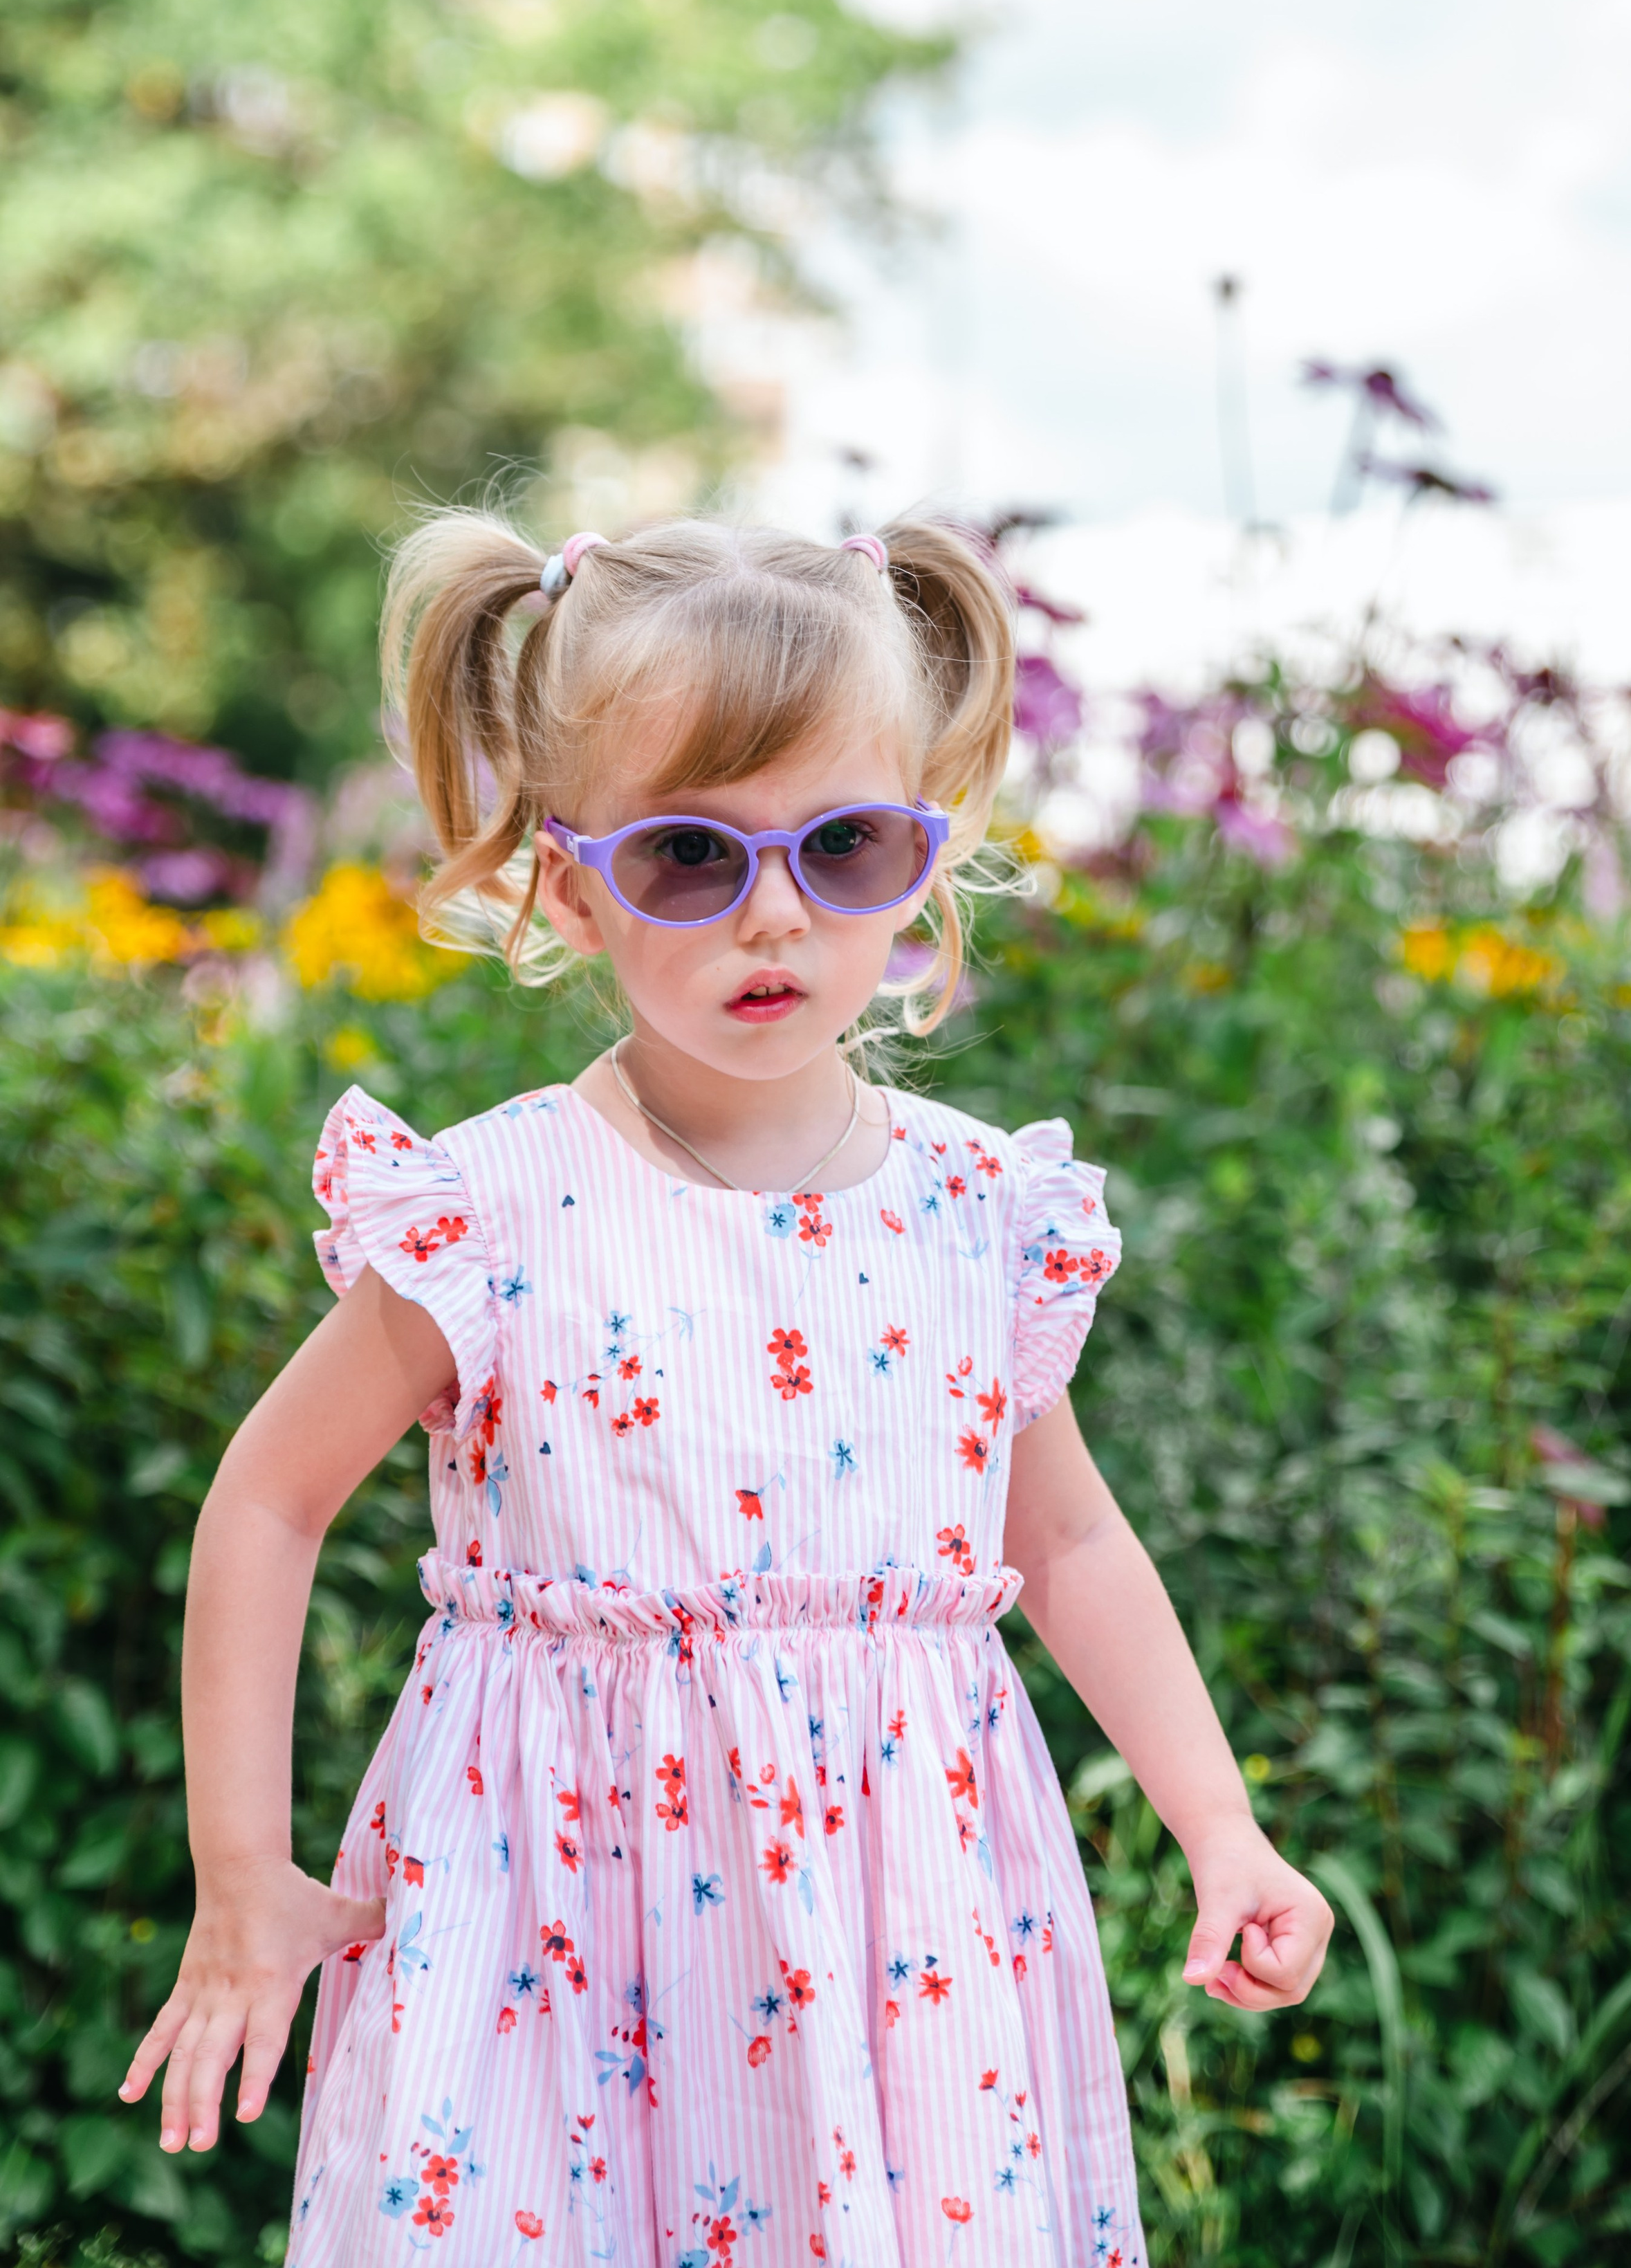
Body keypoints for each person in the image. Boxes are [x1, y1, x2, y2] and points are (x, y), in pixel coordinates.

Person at [120, 513, 1332, 2264]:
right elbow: (269, 1495)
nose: (775, 911)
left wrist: (1220, 1831)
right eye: (690, 858)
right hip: (549, 1935)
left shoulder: (977, 1214)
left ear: (926, 852)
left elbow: (1062, 1539)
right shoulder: (494, 1209)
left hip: (898, 1946)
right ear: (569, 877)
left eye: (843, 844)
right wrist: (242, 1878)